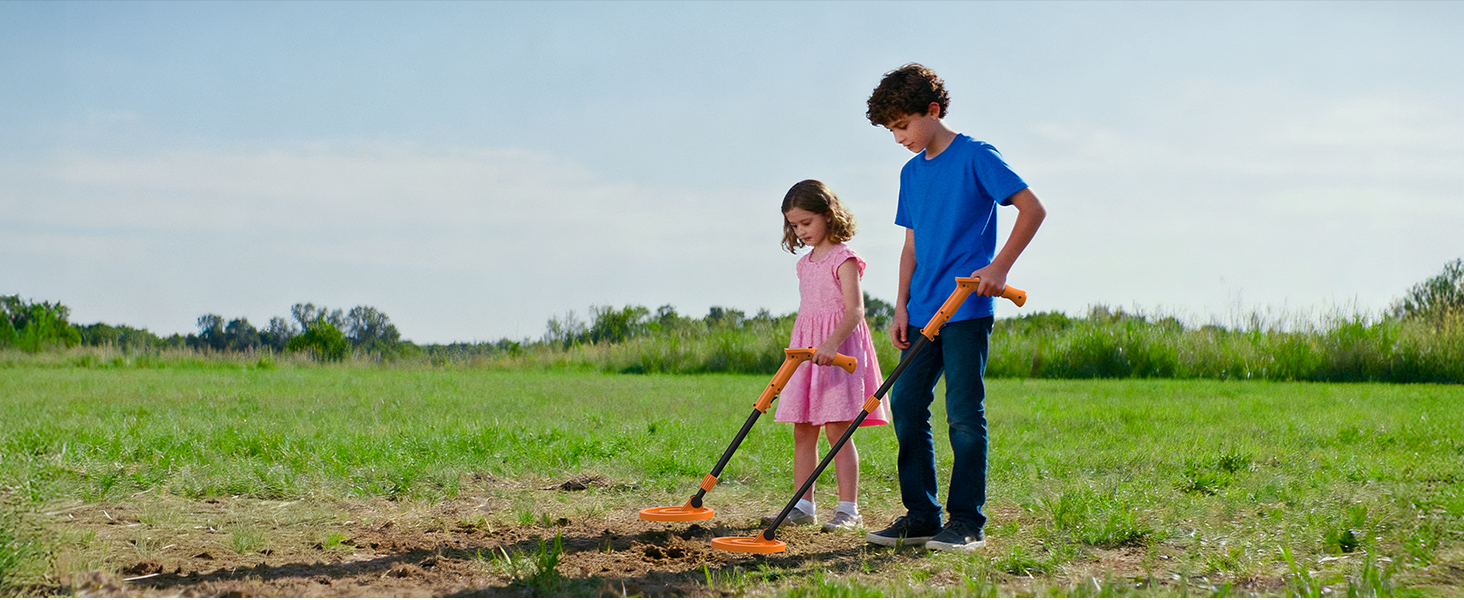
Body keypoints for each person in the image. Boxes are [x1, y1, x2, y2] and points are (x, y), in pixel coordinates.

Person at [862, 63, 1047, 552]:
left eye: (902, 125)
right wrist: (900, 306)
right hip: (921, 311)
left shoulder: (976, 156)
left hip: (965, 308)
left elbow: (1033, 209)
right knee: (904, 404)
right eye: (891, 130)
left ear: (933, 110)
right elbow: (911, 246)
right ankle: (921, 515)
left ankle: (966, 521)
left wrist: (999, 268)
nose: (898, 137)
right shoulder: (910, 172)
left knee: (963, 415)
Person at [765, 179, 890, 532]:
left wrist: (831, 343)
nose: (800, 231)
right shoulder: (804, 265)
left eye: (806, 222)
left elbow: (855, 311)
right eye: (794, 225)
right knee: (803, 430)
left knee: (837, 430)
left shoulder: (844, 258)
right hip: (808, 353)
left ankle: (848, 509)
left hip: (838, 352)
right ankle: (803, 505)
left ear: (828, 215)